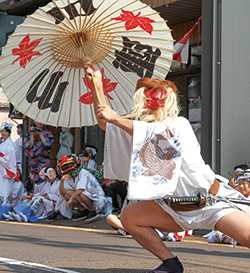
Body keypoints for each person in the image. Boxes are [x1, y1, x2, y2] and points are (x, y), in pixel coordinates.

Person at [84, 63, 250, 273]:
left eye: (160, 100)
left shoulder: (178, 125)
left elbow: (157, 134)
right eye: (150, 99)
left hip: (212, 203)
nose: (155, 104)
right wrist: (97, 85)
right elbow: (106, 124)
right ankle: (170, 263)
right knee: (129, 216)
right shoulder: (138, 131)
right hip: (171, 208)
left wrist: (116, 117)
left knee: (248, 237)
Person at [47, 154, 107, 222]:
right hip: (86, 198)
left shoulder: (83, 172)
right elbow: (62, 193)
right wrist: (62, 181)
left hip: (98, 201)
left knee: (81, 193)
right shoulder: (69, 175)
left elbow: (81, 189)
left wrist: (71, 199)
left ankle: (92, 211)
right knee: (67, 194)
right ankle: (83, 211)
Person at [0, 122, 16, 219]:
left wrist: (1, 157)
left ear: (9, 132)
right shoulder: (4, 143)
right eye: (2, 131)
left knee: (5, 191)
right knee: (2, 191)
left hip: (6, 170)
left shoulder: (10, 144)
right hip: (2, 170)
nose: (3, 133)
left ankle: (4, 212)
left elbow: (9, 159)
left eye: (5, 131)